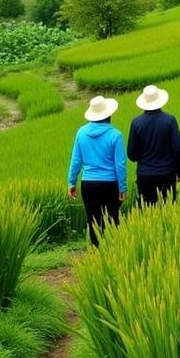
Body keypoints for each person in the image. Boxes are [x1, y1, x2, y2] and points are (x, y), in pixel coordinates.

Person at [68, 95, 126, 247]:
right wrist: (123, 188)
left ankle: (95, 250)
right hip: (110, 184)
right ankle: (112, 250)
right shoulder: (115, 134)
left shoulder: (81, 132)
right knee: (112, 219)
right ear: (109, 114)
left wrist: (71, 182)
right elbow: (120, 165)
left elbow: (76, 160)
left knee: (92, 219)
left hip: (88, 184)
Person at [127, 85, 180, 205]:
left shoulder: (136, 123)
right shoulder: (170, 120)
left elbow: (131, 154)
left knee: (147, 212)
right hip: (167, 174)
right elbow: (177, 149)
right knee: (168, 209)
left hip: (144, 175)